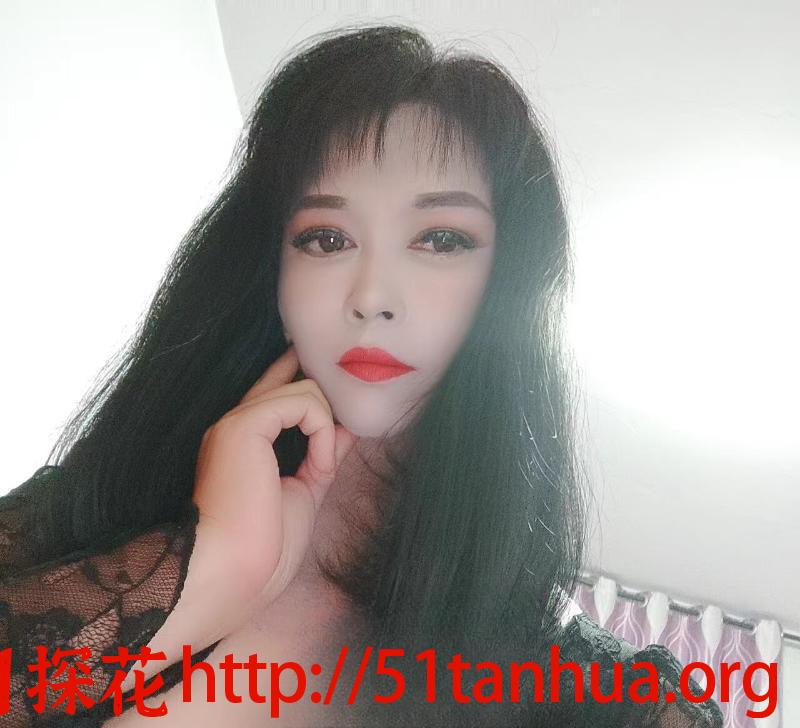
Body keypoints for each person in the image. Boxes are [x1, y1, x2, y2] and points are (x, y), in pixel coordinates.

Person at [0, 24, 723, 727]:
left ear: (510, 287)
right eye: (326, 238)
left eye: (442, 239)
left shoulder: (607, 704)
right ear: (272, 277)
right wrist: (211, 572)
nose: (372, 296)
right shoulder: (71, 523)